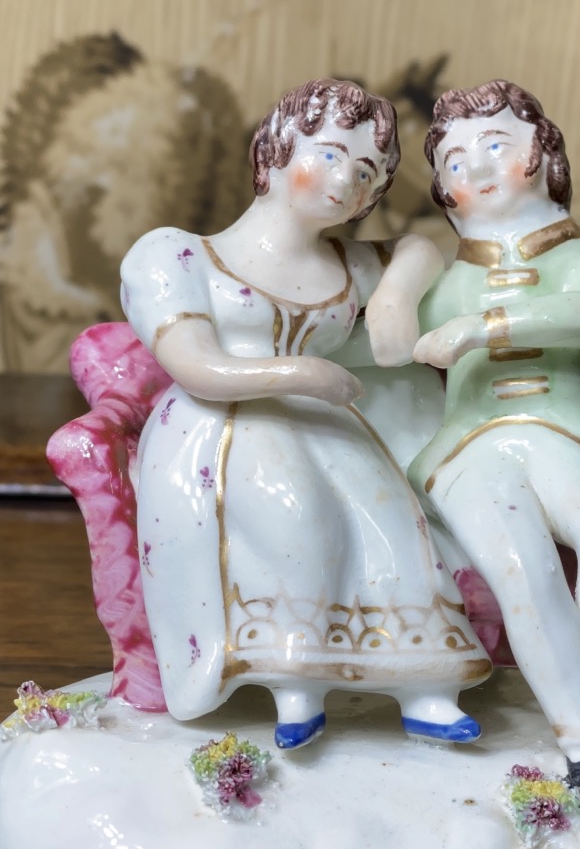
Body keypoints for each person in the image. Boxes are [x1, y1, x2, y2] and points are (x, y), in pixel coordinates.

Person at [120, 79, 491, 750]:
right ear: (274, 150)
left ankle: (424, 685)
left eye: (368, 172)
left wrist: (395, 297)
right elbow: (196, 364)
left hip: (324, 425)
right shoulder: (179, 255)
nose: (348, 181)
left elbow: (420, 248)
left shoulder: (348, 266)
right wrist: (300, 372)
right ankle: (296, 682)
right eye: (331, 154)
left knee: (389, 519)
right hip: (220, 425)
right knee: (294, 511)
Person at [392, 80, 580, 792]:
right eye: (453, 160)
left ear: (543, 154)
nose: (473, 167)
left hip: (566, 433)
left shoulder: (577, 260)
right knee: (522, 562)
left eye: (496, 146)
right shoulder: (442, 282)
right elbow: (383, 339)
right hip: (475, 445)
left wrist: (485, 328)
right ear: (443, 190)